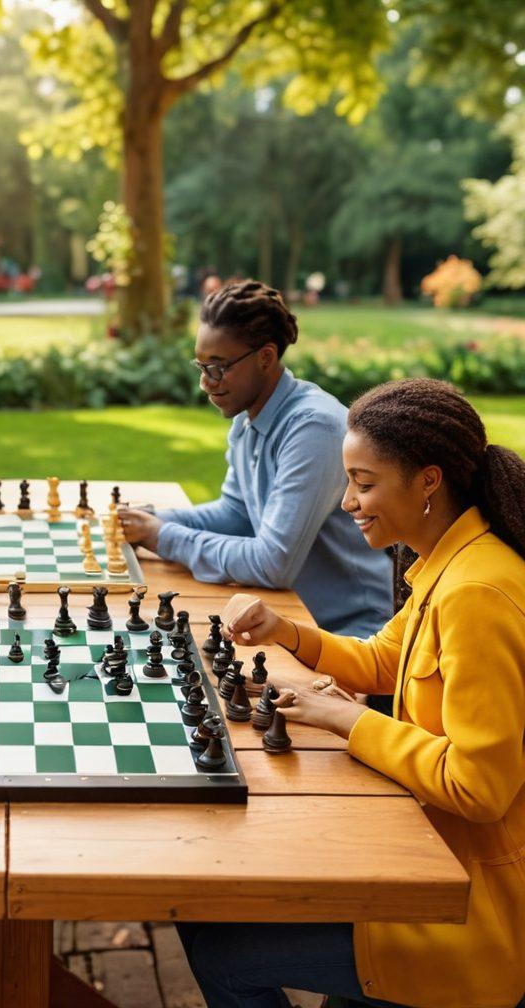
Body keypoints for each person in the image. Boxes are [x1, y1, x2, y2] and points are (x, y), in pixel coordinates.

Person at [179, 378, 525, 1008]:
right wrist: (286, 632)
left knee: (218, 952)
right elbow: (384, 659)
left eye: (364, 483)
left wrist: (347, 721)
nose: (346, 502)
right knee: (199, 905)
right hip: (417, 861)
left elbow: (480, 785)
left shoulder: (477, 592)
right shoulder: (450, 563)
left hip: (464, 906)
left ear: (428, 481)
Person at [118, 279, 392, 639]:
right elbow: (235, 514)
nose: (206, 383)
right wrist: (148, 520)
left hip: (350, 636)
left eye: (218, 367)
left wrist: (162, 536)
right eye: (200, 366)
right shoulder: (248, 417)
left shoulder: (313, 429)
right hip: (287, 619)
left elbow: (272, 563)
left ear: (265, 356)